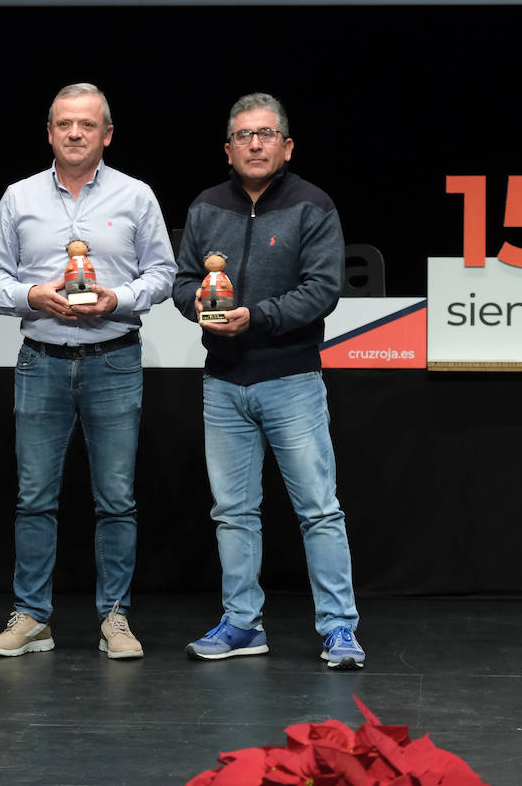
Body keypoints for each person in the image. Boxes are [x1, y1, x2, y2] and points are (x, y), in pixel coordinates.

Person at [0, 83, 175, 660]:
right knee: (34, 498)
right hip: (41, 360)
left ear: (106, 134)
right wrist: (32, 295)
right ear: (49, 132)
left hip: (114, 358)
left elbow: (164, 274)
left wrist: (120, 298)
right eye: (64, 123)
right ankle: (32, 617)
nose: (74, 133)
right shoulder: (19, 196)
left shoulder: (136, 197)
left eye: (87, 125)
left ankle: (115, 617)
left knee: (116, 499)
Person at [173, 92, 364, 670]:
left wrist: (256, 318)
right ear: (227, 148)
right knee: (233, 511)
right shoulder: (206, 207)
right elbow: (183, 283)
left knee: (319, 509)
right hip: (223, 382)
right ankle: (241, 623)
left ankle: (338, 629)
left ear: (286, 145)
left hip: (291, 378)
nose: (254, 144)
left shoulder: (313, 205)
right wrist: (201, 310)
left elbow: (322, 288)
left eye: (265, 134)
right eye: (243, 135)